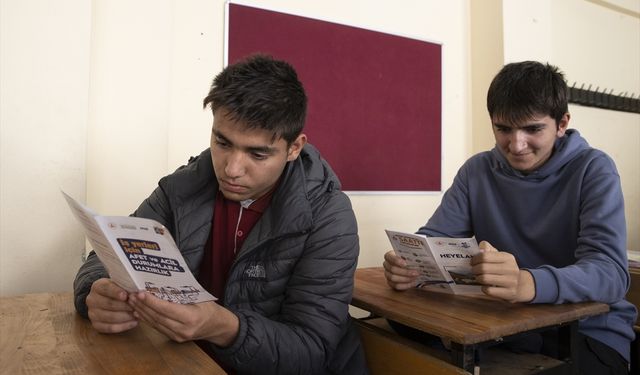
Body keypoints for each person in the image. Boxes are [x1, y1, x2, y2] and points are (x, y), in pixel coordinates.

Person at [73, 54, 368, 375]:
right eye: (222, 142)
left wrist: (223, 327)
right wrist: (96, 291)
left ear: (294, 148)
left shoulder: (329, 217)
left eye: (257, 153)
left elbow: (312, 351)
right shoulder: (182, 186)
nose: (231, 169)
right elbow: (110, 253)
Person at [383, 61, 637, 374]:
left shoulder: (594, 169)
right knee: (398, 326)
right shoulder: (476, 170)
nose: (516, 146)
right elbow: (434, 239)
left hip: (588, 334)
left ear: (561, 123)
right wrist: (410, 265)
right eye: (503, 129)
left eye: (532, 129)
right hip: (503, 327)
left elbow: (611, 274)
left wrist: (527, 282)